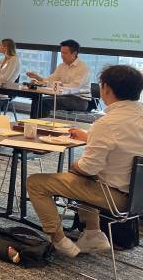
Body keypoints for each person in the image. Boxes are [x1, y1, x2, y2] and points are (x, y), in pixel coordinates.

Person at [28, 65, 143, 257]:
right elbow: (126, 143)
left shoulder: (107, 123)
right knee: (86, 177)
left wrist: (74, 166)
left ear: (106, 88)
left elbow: (88, 168)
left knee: (37, 182)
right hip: (137, 198)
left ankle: (59, 241)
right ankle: (92, 233)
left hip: (116, 198)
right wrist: (89, 136)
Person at [27, 39, 91, 117]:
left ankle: (39, 126)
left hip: (79, 100)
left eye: (65, 53)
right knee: (37, 100)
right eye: (61, 52)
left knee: (44, 102)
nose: (62, 55)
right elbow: (51, 79)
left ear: (74, 53)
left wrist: (60, 85)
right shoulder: (62, 66)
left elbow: (75, 87)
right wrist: (38, 78)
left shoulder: (83, 68)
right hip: (63, 96)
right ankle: (32, 125)